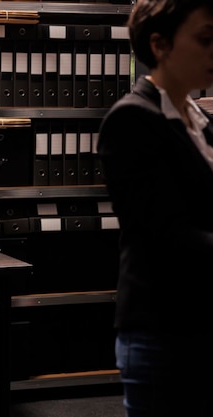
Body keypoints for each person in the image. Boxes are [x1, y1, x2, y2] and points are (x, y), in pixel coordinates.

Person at [97, 1, 213, 416]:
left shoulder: (199, 120)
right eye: (205, 39)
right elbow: (162, 232)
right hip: (165, 331)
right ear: (160, 44)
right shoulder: (131, 119)